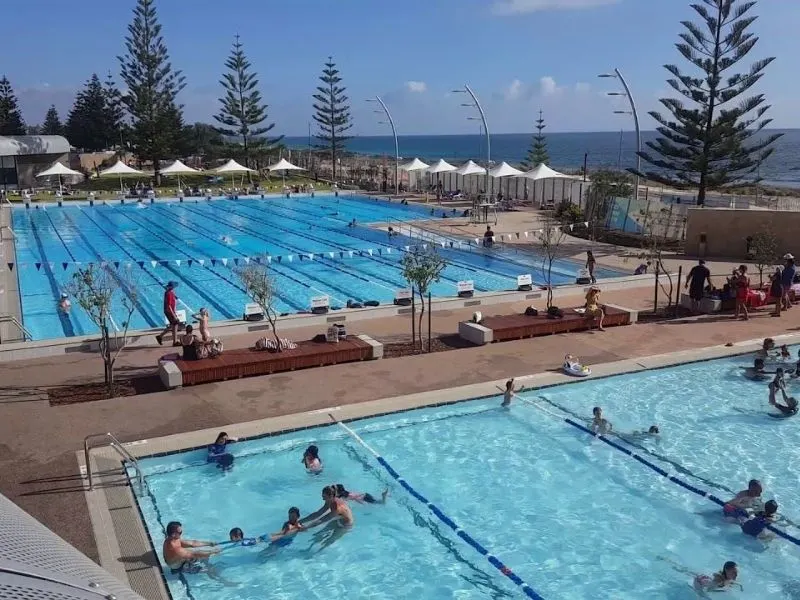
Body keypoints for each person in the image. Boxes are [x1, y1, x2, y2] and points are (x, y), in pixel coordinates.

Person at [301, 485, 354, 550]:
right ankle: (309, 549)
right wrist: (300, 521)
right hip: (338, 519)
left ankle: (316, 554)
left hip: (345, 524)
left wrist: (306, 527)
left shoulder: (338, 508)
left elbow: (322, 520)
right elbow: (318, 513)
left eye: (324, 497)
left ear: (331, 496)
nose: (323, 499)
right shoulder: (329, 500)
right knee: (318, 535)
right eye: (323, 496)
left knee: (328, 541)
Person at [156, 281, 180, 346]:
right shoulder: (169, 293)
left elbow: (169, 292)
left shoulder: (169, 292)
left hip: (169, 311)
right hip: (169, 311)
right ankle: (175, 342)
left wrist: (175, 296)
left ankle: (160, 336)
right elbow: (169, 306)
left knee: (173, 325)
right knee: (175, 324)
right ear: (172, 287)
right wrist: (174, 315)